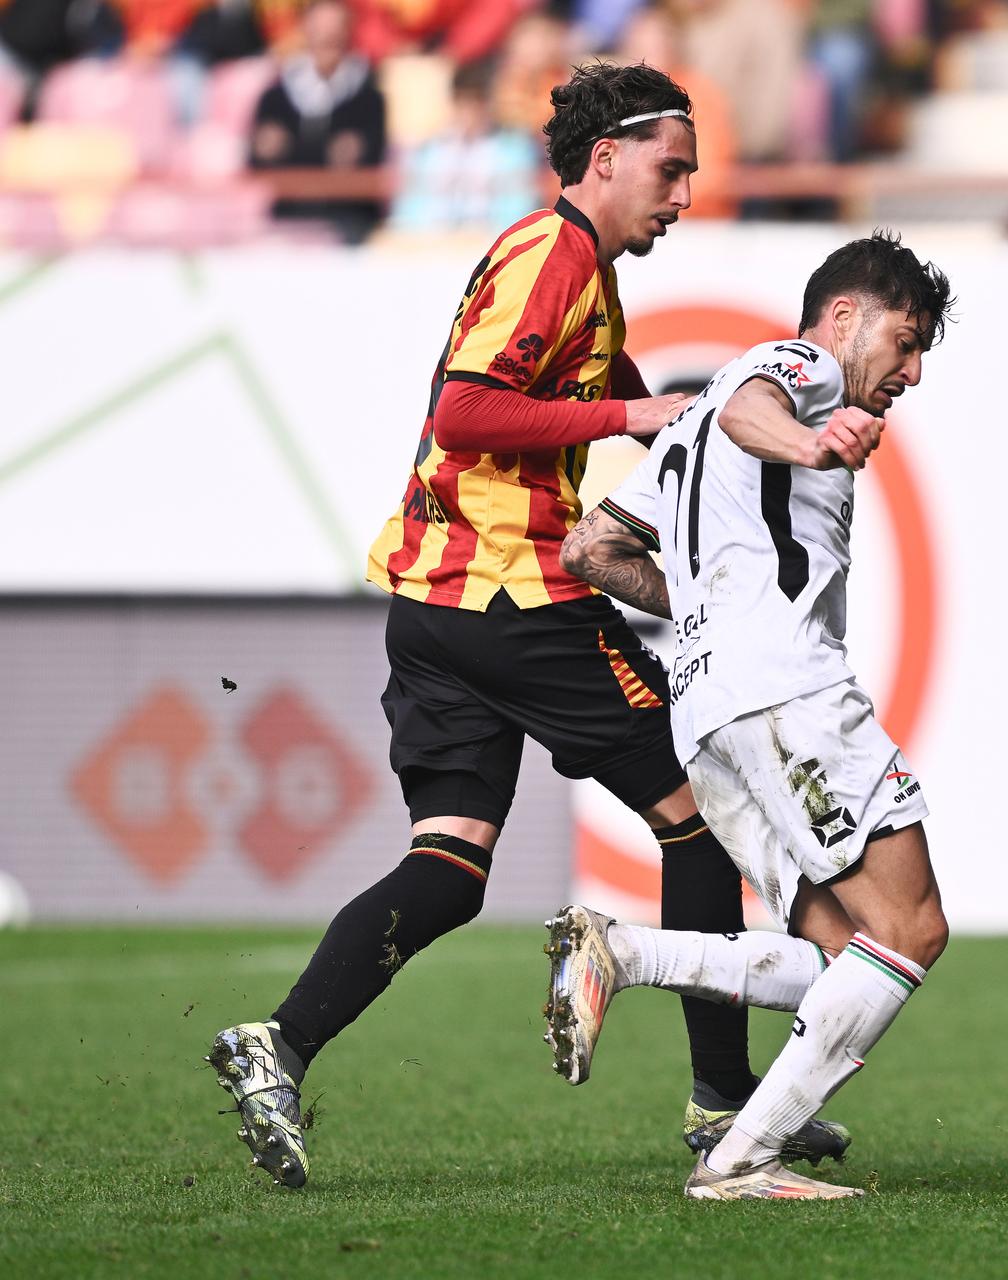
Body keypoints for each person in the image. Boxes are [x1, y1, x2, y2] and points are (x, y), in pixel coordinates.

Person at [206, 59, 849, 1190]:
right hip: (512, 596)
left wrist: (702, 453)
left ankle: (280, 1043)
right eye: (672, 167)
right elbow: (465, 407)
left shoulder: (583, 277)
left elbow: (650, 416)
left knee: (450, 867)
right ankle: (720, 1103)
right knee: (700, 813)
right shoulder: (548, 251)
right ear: (607, 158)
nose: (686, 194)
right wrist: (636, 413)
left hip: (434, 609)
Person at [548, 230, 955, 1200]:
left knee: (837, 953)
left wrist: (697, 609)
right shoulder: (798, 365)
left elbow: (591, 548)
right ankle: (741, 1158)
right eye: (903, 341)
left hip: (709, 707)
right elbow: (751, 406)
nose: (911, 371)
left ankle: (626, 948)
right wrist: (813, 439)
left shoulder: (678, 435)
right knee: (912, 926)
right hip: (786, 690)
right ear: (846, 315)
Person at [247, 0, 388, 243]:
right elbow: (257, 159)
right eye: (320, 32)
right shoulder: (276, 97)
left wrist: (293, 150)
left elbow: (366, 162)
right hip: (288, 220)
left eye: (334, 33)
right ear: (306, 32)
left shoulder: (369, 97)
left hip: (347, 223)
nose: (327, 40)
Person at [390, 61, 543, 233]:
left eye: (477, 102)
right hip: (434, 245)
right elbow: (409, 209)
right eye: (463, 102)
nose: (470, 112)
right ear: (454, 103)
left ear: (488, 104)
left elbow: (521, 206)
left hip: (491, 243)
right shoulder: (429, 151)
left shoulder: (514, 149)